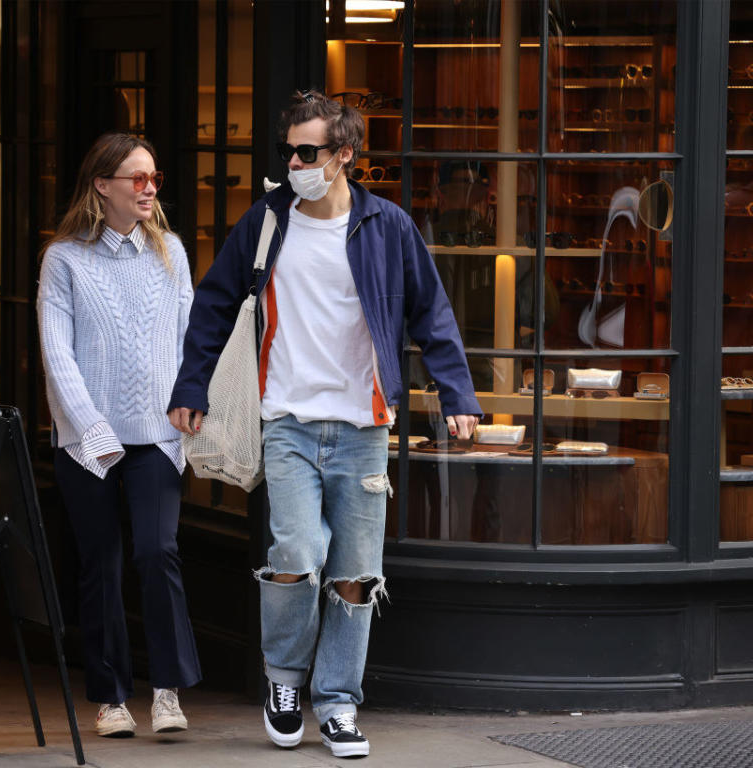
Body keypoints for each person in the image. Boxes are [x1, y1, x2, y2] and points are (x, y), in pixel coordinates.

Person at [168, 90, 481, 758]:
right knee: (297, 559)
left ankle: (338, 703)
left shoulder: (387, 226)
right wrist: (190, 386)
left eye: (308, 152)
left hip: (364, 426)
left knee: (355, 576)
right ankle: (283, 680)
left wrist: (458, 395)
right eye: (288, 150)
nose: (294, 162)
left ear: (344, 156)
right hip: (287, 422)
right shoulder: (266, 223)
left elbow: (432, 313)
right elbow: (213, 305)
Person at [37, 131, 201, 738]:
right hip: (86, 441)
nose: (149, 188)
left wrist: (191, 399)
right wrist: (91, 429)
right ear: (102, 186)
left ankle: (166, 689)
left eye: (153, 178)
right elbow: (58, 355)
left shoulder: (172, 253)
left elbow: (191, 338)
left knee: (157, 552)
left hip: (158, 435)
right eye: (137, 178)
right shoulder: (65, 259)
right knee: (100, 563)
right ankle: (110, 697)